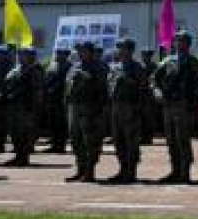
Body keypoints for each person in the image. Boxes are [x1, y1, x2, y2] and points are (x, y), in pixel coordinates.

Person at [152, 30, 198, 184]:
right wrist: (157, 93)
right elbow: (154, 80)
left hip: (184, 106)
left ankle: (184, 172)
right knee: (171, 140)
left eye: (183, 41)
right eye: (177, 41)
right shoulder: (167, 61)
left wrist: (193, 103)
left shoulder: (194, 63)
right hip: (168, 105)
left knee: (183, 140)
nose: (180, 44)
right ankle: (174, 171)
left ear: (189, 44)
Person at [65, 42, 109, 182]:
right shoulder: (75, 66)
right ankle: (81, 170)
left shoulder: (99, 66)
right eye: (79, 50)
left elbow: (103, 88)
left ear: (90, 52)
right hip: (75, 106)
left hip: (90, 107)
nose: (80, 53)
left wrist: (98, 108)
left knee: (90, 141)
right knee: (75, 140)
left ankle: (90, 172)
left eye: (83, 50)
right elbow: (68, 86)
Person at [106, 38, 149, 184]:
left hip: (130, 107)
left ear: (130, 50)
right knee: (118, 141)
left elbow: (143, 90)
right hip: (115, 107)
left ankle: (131, 172)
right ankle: (122, 169)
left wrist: (138, 109)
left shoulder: (137, 67)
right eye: (119, 48)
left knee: (131, 141)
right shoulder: (115, 67)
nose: (119, 51)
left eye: (123, 48)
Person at [0, 46, 45, 167]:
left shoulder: (34, 71)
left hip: (26, 107)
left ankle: (23, 157)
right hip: (13, 106)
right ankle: (18, 156)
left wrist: (34, 108)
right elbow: (8, 85)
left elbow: (38, 91)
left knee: (24, 133)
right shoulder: (16, 69)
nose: (20, 56)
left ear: (31, 57)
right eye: (19, 54)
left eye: (23, 54)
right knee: (14, 132)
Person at [43, 46, 72, 154]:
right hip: (51, 99)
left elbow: (67, 83)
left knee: (61, 124)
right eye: (58, 53)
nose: (58, 55)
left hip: (62, 99)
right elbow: (47, 79)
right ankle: (54, 144)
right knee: (52, 123)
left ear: (66, 55)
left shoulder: (69, 66)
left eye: (61, 53)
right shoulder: (52, 65)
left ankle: (60, 145)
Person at [139, 49, 159, 146]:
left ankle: (148, 137)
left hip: (148, 94)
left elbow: (154, 79)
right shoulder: (140, 66)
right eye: (143, 55)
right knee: (141, 117)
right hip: (140, 94)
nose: (144, 57)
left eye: (146, 55)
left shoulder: (154, 66)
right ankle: (142, 136)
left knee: (148, 117)